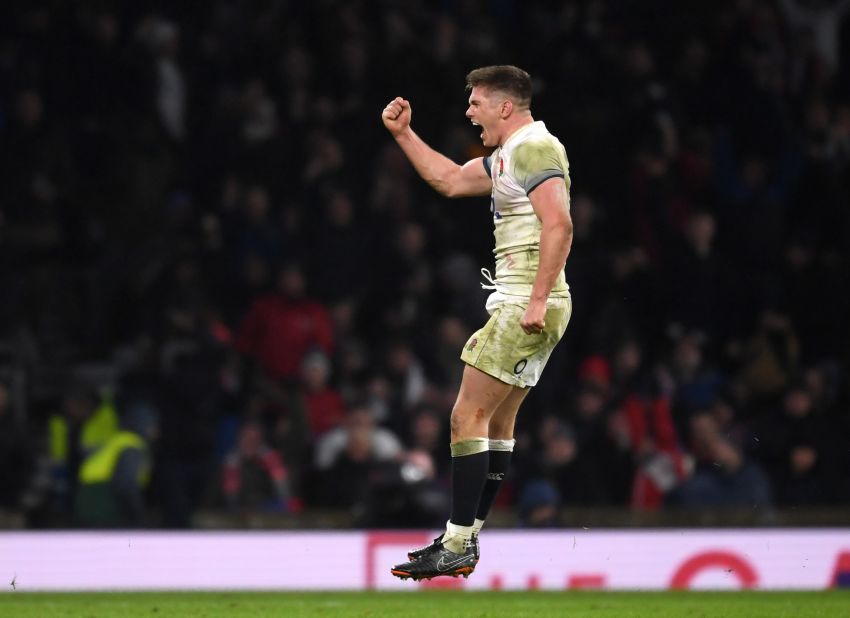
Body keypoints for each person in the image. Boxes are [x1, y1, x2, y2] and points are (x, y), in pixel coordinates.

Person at [381, 65, 574, 580]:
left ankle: (458, 541)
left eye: (475, 102)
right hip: (536, 301)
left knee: (465, 417)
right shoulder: (510, 155)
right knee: (498, 424)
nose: (469, 111)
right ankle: (462, 540)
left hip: (525, 303)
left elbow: (560, 224)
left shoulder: (535, 148)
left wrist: (535, 300)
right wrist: (404, 135)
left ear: (504, 106)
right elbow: (447, 179)